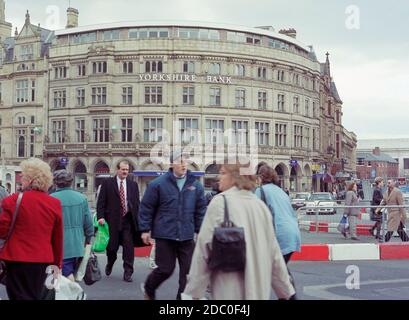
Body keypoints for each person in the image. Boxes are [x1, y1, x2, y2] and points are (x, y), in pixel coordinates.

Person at [183, 160, 296, 300]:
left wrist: (191, 293)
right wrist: (287, 292)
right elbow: (274, 255)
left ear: (235, 176)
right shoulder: (260, 207)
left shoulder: (220, 203)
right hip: (258, 291)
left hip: (229, 290)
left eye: (223, 173)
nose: (219, 177)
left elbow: (203, 252)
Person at [139, 149, 207, 300]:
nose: (184, 165)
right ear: (171, 164)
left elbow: (201, 210)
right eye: (180, 161)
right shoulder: (158, 184)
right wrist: (145, 229)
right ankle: (149, 288)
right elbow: (146, 207)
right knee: (165, 269)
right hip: (165, 235)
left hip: (187, 236)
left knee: (188, 274)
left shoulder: (195, 186)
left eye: (186, 161)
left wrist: (200, 230)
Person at [0, 158, 63, 300]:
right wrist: (57, 264)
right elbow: (57, 238)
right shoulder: (54, 203)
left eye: (23, 176)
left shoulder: (11, 201)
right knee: (36, 295)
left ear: (30, 179)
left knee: (18, 296)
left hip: (15, 259)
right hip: (42, 260)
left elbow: (2, 231)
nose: (21, 178)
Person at [96, 160, 141, 282]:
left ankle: (128, 272)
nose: (125, 172)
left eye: (127, 169)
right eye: (123, 169)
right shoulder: (107, 184)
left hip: (128, 221)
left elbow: (137, 204)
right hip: (112, 221)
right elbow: (101, 203)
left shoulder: (133, 185)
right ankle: (110, 263)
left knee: (128, 248)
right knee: (112, 248)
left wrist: (140, 220)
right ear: (117, 169)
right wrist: (100, 217)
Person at [51, 169, 94, 281]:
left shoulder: (51, 199)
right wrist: (88, 239)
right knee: (71, 273)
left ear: (55, 182)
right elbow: (88, 223)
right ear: (71, 181)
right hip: (77, 244)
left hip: (60, 245)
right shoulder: (81, 198)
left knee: (66, 275)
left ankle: (73, 294)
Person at [254, 164, 301, 264]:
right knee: (279, 271)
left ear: (261, 177)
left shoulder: (260, 191)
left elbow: (255, 215)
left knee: (271, 271)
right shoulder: (281, 192)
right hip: (293, 235)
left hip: (280, 236)